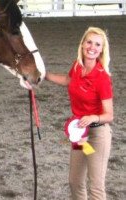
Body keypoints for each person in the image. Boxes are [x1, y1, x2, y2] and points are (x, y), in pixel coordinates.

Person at [45, 27, 113, 200]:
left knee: (96, 186)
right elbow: (68, 81)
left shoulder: (102, 78)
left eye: (97, 44)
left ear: (101, 50)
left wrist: (93, 117)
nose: (92, 47)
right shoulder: (77, 66)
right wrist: (45, 75)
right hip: (80, 135)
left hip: (97, 134)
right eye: (89, 42)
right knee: (75, 182)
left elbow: (109, 115)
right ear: (82, 44)